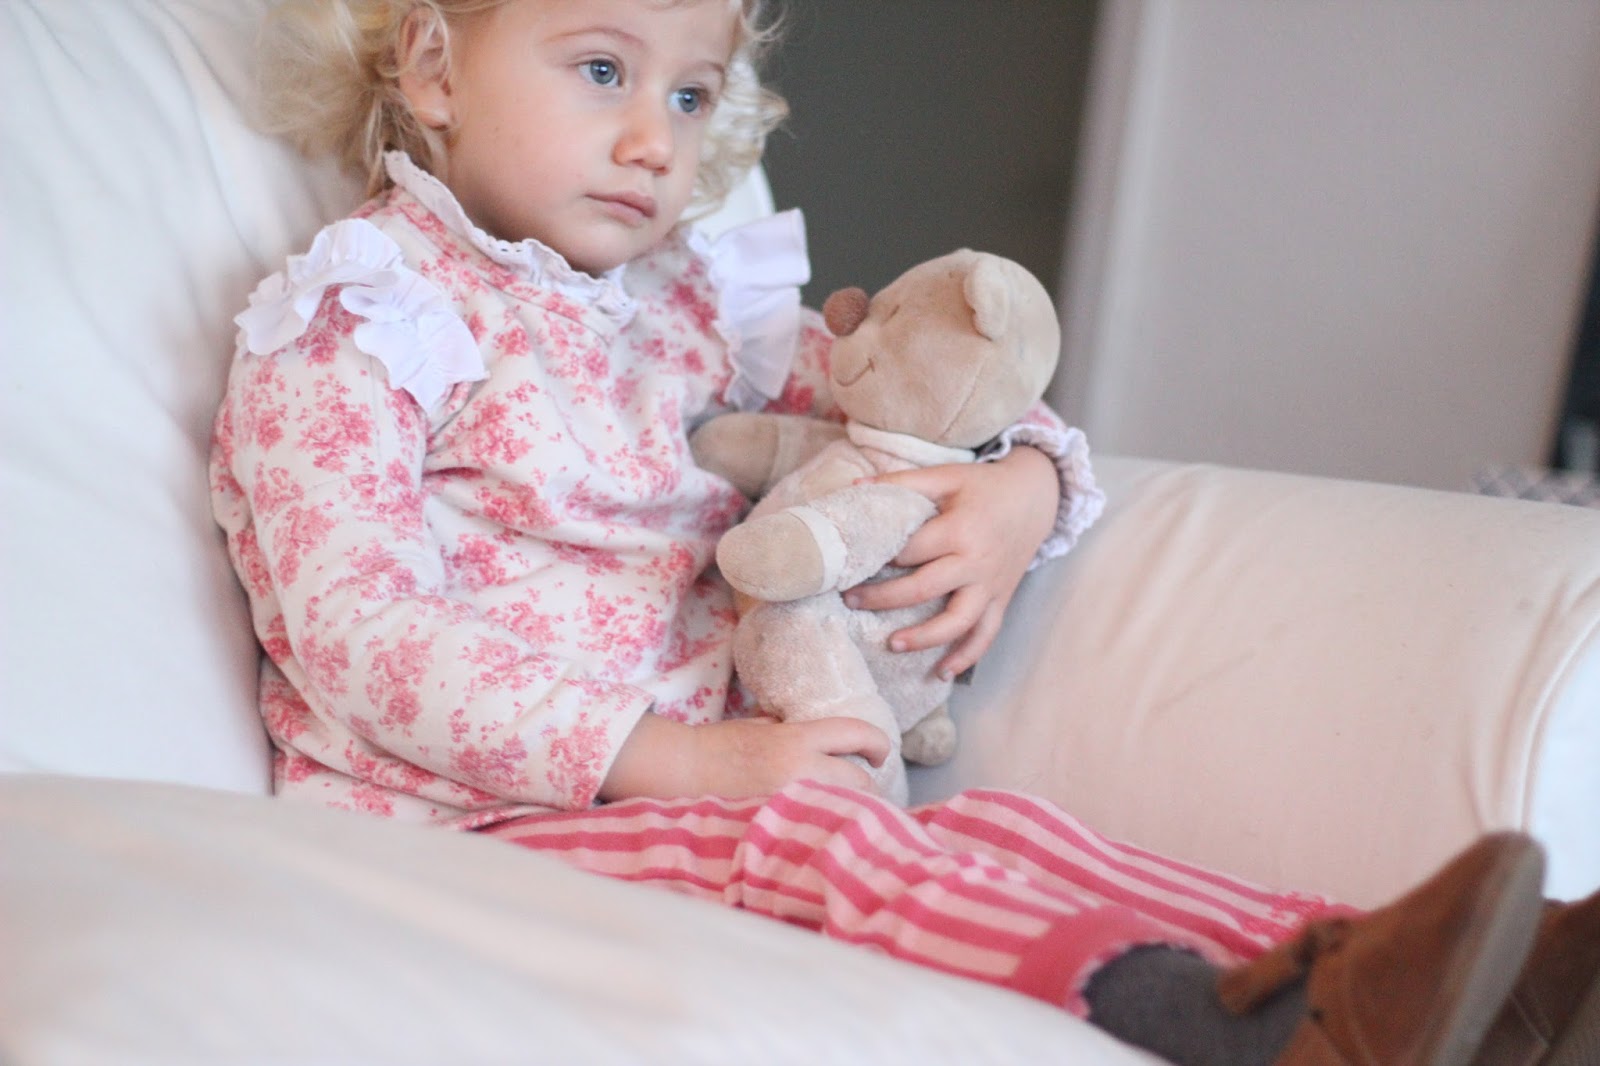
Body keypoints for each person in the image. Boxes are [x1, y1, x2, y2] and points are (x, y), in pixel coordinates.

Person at [210, 1, 1599, 1063]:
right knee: (826, 850)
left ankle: (1427, 974)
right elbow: (363, 633)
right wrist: (686, 760)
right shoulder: (361, 315)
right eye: (602, 71)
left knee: (1007, 830)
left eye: (690, 94)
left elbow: (908, 395)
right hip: (471, 831)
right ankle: (1254, 1024)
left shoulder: (685, 304)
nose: (655, 141)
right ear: (436, 67)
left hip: (714, 789)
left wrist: (1025, 483)